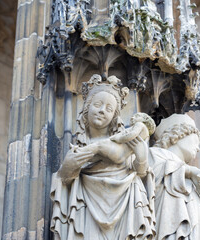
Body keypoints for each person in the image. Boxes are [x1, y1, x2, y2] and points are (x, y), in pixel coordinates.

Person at [50, 74, 156, 240]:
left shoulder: (123, 145)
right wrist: (73, 164)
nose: (101, 111)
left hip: (125, 204)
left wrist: (141, 159)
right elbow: (64, 177)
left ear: (114, 116)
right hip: (86, 207)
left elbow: (140, 174)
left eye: (109, 109)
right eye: (97, 105)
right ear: (87, 108)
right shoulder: (80, 148)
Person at [149, 113, 200, 240]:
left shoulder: (190, 177)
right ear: (178, 135)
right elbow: (149, 174)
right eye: (195, 139)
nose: (198, 148)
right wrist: (189, 171)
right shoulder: (155, 155)